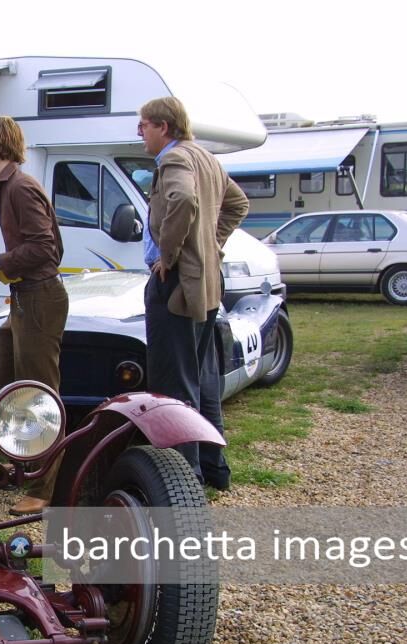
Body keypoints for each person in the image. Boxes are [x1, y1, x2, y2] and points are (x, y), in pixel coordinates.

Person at [138, 96, 249, 491]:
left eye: (145, 125)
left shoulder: (174, 159)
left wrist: (171, 254)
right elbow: (237, 204)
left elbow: (182, 199)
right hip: (205, 285)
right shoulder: (206, 157)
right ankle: (214, 469)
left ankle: (186, 481)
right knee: (204, 381)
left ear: (164, 127)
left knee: (175, 386)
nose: (140, 132)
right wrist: (208, 245)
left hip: (176, 286)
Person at [0, 116, 68, 516]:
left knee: (40, 394)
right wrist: (7, 269)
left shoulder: (21, 188)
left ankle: (46, 487)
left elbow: (46, 249)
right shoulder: (9, 188)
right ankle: (24, 460)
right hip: (24, 294)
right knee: (8, 381)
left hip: (40, 298)